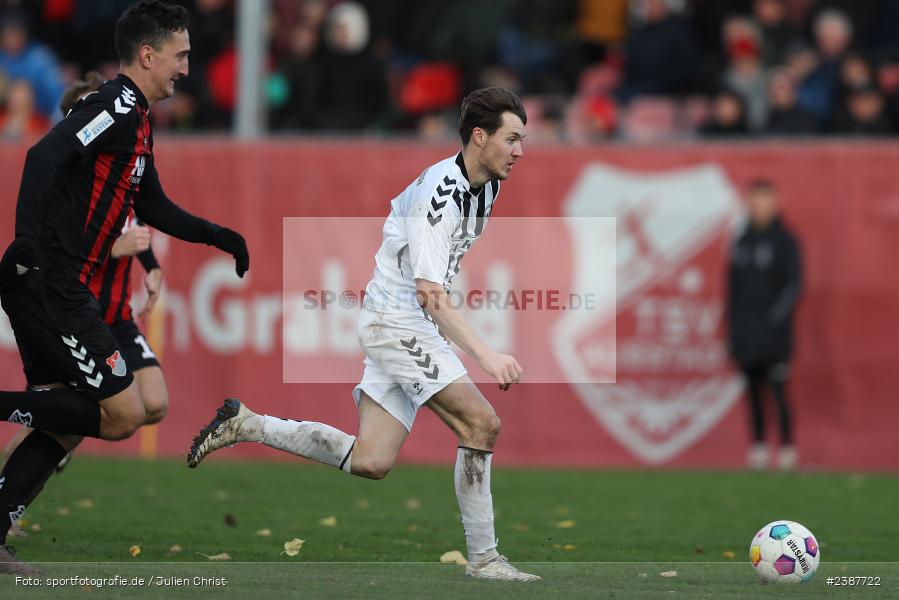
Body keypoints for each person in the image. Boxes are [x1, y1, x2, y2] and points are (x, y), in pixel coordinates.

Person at [187, 87, 539, 582]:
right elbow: (429, 293)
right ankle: (484, 560)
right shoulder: (443, 193)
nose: (520, 150)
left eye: (522, 139)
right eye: (512, 139)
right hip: (399, 322)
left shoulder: (487, 184)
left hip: (398, 319)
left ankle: (247, 424)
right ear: (479, 137)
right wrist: (485, 353)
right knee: (482, 424)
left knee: (372, 460)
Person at [0, 0, 249, 573]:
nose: (186, 68)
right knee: (124, 413)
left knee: (65, 423)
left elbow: (152, 204)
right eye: (180, 55)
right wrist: (28, 248)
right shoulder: (113, 106)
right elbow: (42, 156)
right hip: (52, 283)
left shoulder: (136, 118)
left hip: (59, 284)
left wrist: (220, 236)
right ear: (148, 53)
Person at [2, 72, 170, 489]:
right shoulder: (69, 180)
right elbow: (73, 246)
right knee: (70, 416)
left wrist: (149, 263)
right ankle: (16, 492)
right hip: (71, 314)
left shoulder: (119, 169)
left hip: (113, 317)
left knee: (151, 403)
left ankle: (56, 443)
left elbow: (134, 218)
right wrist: (117, 248)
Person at [726, 179, 802, 471]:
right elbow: (733, 290)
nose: (759, 205)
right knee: (753, 392)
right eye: (754, 199)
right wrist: (734, 328)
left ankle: (786, 449)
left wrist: (773, 322)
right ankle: (757, 448)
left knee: (779, 391)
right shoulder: (742, 240)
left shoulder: (784, 240)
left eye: (764, 199)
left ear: (774, 202)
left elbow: (794, 285)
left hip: (774, 336)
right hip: (745, 335)